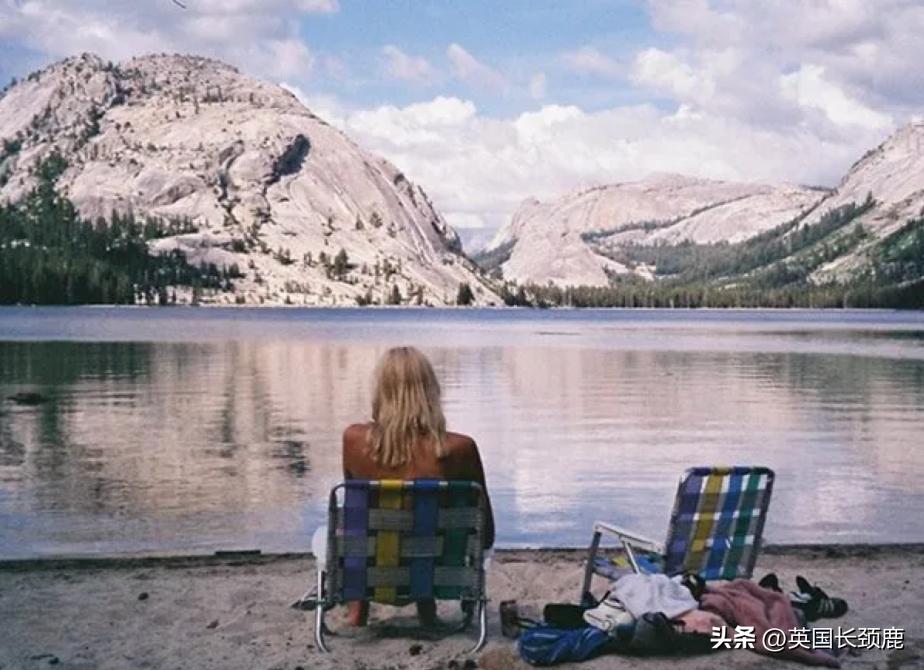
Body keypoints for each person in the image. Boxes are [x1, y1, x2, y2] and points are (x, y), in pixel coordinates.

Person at [341, 346, 494, 626]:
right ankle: (426, 605)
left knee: (361, 526)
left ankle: (357, 609)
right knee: (426, 523)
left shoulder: (354, 440)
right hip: (435, 570)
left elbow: (355, 517)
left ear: (382, 391)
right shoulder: (460, 448)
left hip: (376, 571)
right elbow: (487, 532)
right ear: (430, 391)